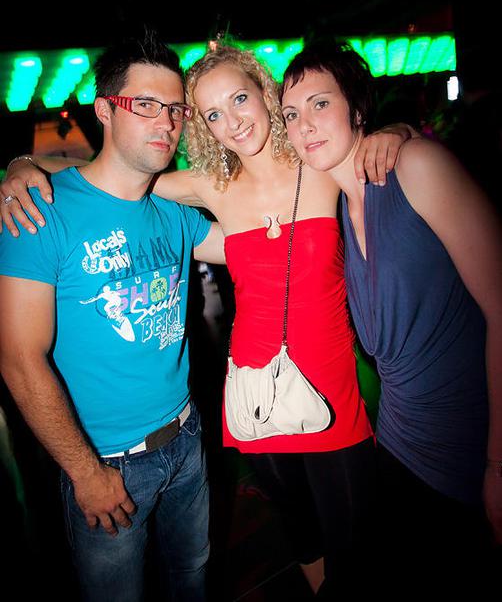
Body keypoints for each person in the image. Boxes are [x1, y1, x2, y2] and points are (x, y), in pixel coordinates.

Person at [0, 43, 413, 598]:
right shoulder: (206, 187)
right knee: (301, 536)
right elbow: (102, 177)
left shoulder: (317, 163)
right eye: (212, 113)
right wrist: (22, 164)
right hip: (254, 395)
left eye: (238, 99)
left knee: (356, 547)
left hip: (319, 397)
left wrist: (399, 130)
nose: (232, 121)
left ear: (265, 93)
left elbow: (369, 143)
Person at [0, 29, 226, 602]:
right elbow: (20, 361)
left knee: (193, 577)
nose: (166, 122)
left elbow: (253, 243)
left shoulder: (173, 213)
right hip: (107, 463)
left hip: (187, 438)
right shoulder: (43, 211)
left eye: (174, 109)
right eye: (145, 104)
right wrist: (85, 473)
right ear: (104, 110)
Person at [280, 40, 502, 592]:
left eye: (320, 104)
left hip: (470, 442)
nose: (304, 125)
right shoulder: (331, 210)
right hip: (400, 445)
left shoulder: (417, 167)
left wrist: (499, 465)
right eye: (291, 114)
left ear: (357, 108)